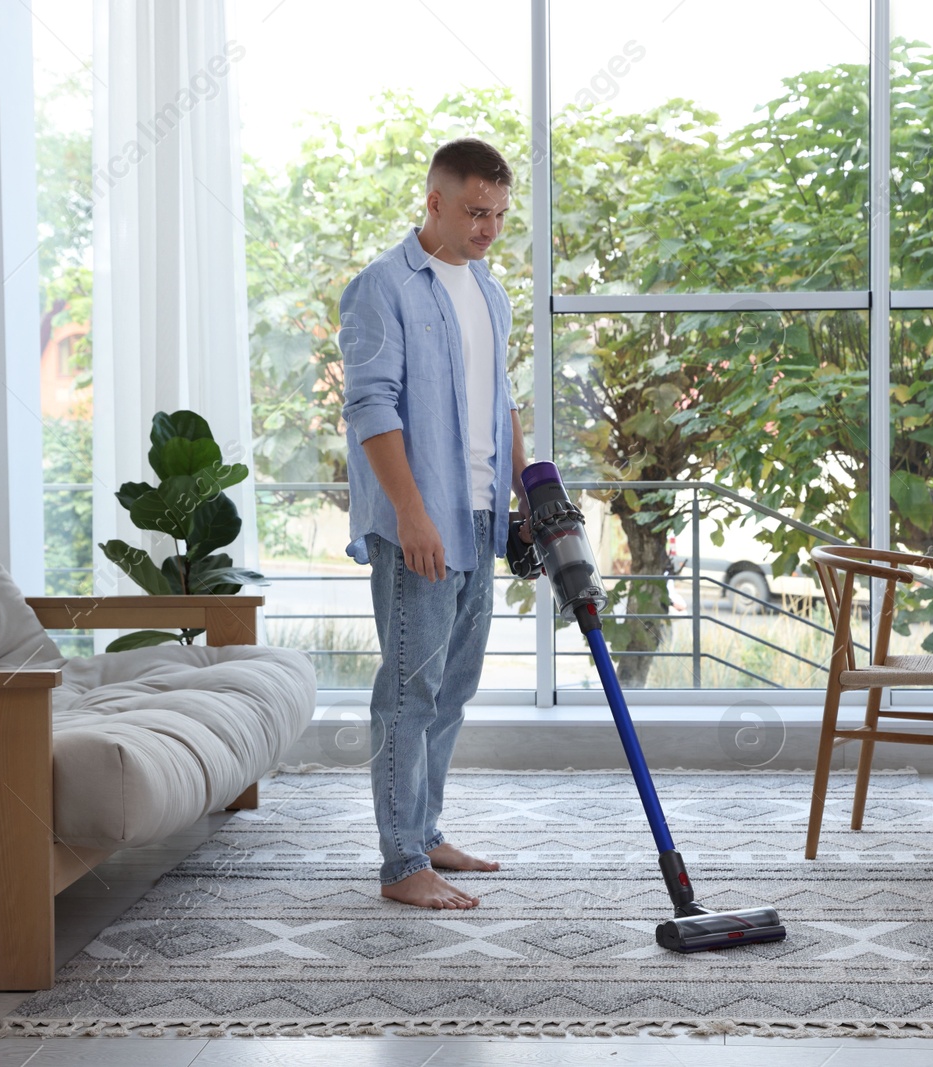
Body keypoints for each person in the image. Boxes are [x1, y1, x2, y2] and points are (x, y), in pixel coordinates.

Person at [338, 138, 529, 910]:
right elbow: (370, 407)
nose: (488, 228)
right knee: (408, 695)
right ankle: (401, 861)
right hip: (420, 522)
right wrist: (413, 515)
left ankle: (428, 829)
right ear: (436, 202)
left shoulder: (488, 292)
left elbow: (499, 402)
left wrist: (531, 490)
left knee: (453, 688)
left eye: (499, 214)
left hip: (480, 521)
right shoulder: (380, 288)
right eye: (476, 212)